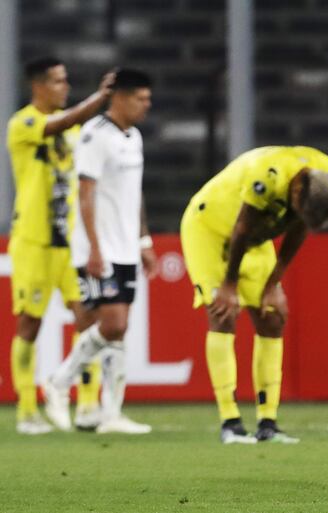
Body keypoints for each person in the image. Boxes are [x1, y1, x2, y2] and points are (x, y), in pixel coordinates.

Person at [180, 146, 328, 444]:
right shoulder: (267, 176)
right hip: (211, 228)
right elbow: (240, 229)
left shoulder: (326, 174)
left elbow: (297, 228)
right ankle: (230, 423)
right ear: (296, 194)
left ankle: (268, 423)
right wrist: (229, 287)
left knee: (272, 318)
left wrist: (273, 286)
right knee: (223, 314)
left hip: (255, 239)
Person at [44, 68, 157, 435]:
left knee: (117, 333)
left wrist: (143, 241)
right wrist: (94, 248)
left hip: (125, 246)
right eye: (140, 98)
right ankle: (59, 383)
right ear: (120, 98)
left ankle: (111, 413)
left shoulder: (134, 137)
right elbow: (86, 194)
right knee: (113, 323)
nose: (146, 105)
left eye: (148, 98)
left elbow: (134, 193)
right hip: (99, 247)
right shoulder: (95, 134)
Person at [6, 57, 114, 434]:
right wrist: (100, 98)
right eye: (57, 81)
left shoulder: (73, 130)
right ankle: (26, 411)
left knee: (89, 320)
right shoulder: (23, 124)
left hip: (71, 244)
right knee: (30, 324)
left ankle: (86, 405)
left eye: (66, 81)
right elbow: (61, 123)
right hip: (35, 242)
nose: (64, 87)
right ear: (38, 86)